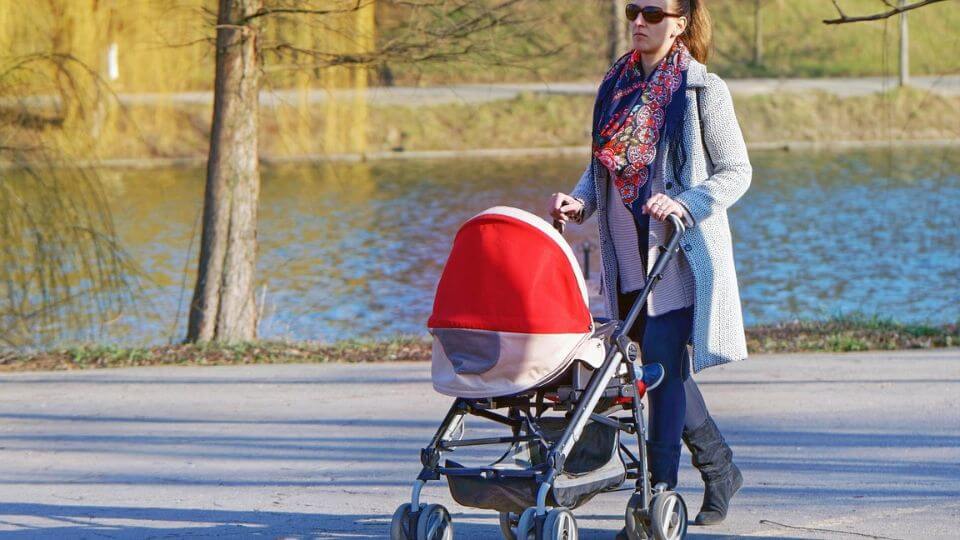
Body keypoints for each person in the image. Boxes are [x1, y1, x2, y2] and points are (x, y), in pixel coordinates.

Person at [547, 0, 750, 528]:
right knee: (663, 371)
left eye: (653, 13)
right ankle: (720, 467)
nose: (639, 21)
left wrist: (686, 203)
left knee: (660, 373)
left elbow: (736, 173)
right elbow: (604, 168)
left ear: (680, 22)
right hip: (626, 255)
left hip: (676, 259)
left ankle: (655, 499)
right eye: (635, 10)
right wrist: (579, 202)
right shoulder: (614, 84)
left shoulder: (703, 90)